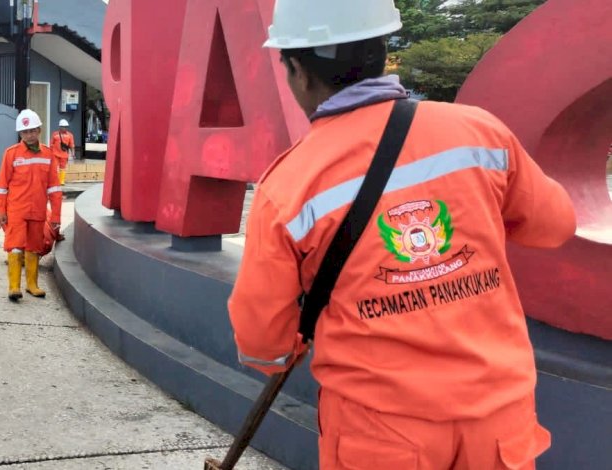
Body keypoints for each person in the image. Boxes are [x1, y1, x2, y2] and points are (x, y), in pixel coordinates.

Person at [228, 1, 576, 468]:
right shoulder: (479, 132)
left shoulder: (290, 185)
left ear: (298, 71)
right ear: (380, 48)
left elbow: (261, 342)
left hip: (381, 430)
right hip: (498, 417)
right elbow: (555, 225)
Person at [0, 109, 62, 301]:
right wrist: (1, 210)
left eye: (32, 130)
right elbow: (2, 186)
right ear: (20, 134)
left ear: (39, 130)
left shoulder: (48, 154)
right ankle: (14, 287)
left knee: (34, 247)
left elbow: (55, 189)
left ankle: (32, 285)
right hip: (16, 210)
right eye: (25, 132)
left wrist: (56, 216)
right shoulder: (11, 154)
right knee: (15, 246)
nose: (29, 135)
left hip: (38, 210)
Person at [50, 119, 75, 185]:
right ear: (60, 127)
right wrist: (50, 152)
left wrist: (73, 154)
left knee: (63, 168)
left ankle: (62, 181)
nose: (65, 128)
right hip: (55, 154)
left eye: (66, 127)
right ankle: (55, 181)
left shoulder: (70, 135)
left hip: (64, 155)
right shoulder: (55, 134)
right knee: (55, 168)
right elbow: (51, 144)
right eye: (63, 126)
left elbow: (72, 145)